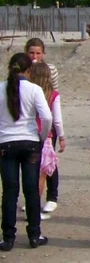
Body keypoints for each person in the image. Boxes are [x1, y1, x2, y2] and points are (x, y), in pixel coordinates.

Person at [0, 53, 52, 251]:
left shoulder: (1, 88)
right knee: (31, 190)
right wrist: (41, 136)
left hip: (6, 143)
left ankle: (7, 237)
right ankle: (34, 234)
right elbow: (46, 117)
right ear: (29, 70)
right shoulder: (34, 89)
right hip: (30, 141)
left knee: (9, 191)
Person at [24, 38, 62, 213]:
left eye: (38, 52)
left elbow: (53, 91)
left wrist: (58, 130)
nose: (34, 56)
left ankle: (52, 196)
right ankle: (33, 199)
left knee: (49, 160)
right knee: (33, 164)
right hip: (30, 122)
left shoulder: (50, 69)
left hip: (46, 122)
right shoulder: (23, 69)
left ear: (43, 53)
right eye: (31, 52)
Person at [29, 62, 65, 221]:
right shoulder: (53, 94)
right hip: (45, 136)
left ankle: (30, 203)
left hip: (28, 134)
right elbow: (56, 120)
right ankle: (35, 207)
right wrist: (61, 136)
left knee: (30, 174)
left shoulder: (27, 92)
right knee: (41, 175)